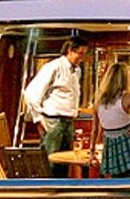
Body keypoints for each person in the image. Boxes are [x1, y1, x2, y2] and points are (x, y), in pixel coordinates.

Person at [23, 35, 89, 177]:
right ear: (70, 50)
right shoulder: (53, 67)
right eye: (80, 53)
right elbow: (31, 93)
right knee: (50, 162)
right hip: (53, 121)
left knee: (64, 162)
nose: (82, 58)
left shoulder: (77, 70)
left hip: (68, 121)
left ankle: (61, 188)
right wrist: (38, 119)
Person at [95, 62, 130, 178]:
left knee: (116, 181)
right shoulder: (127, 97)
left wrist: (92, 150)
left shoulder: (100, 99)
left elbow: (95, 128)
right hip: (128, 142)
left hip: (110, 143)